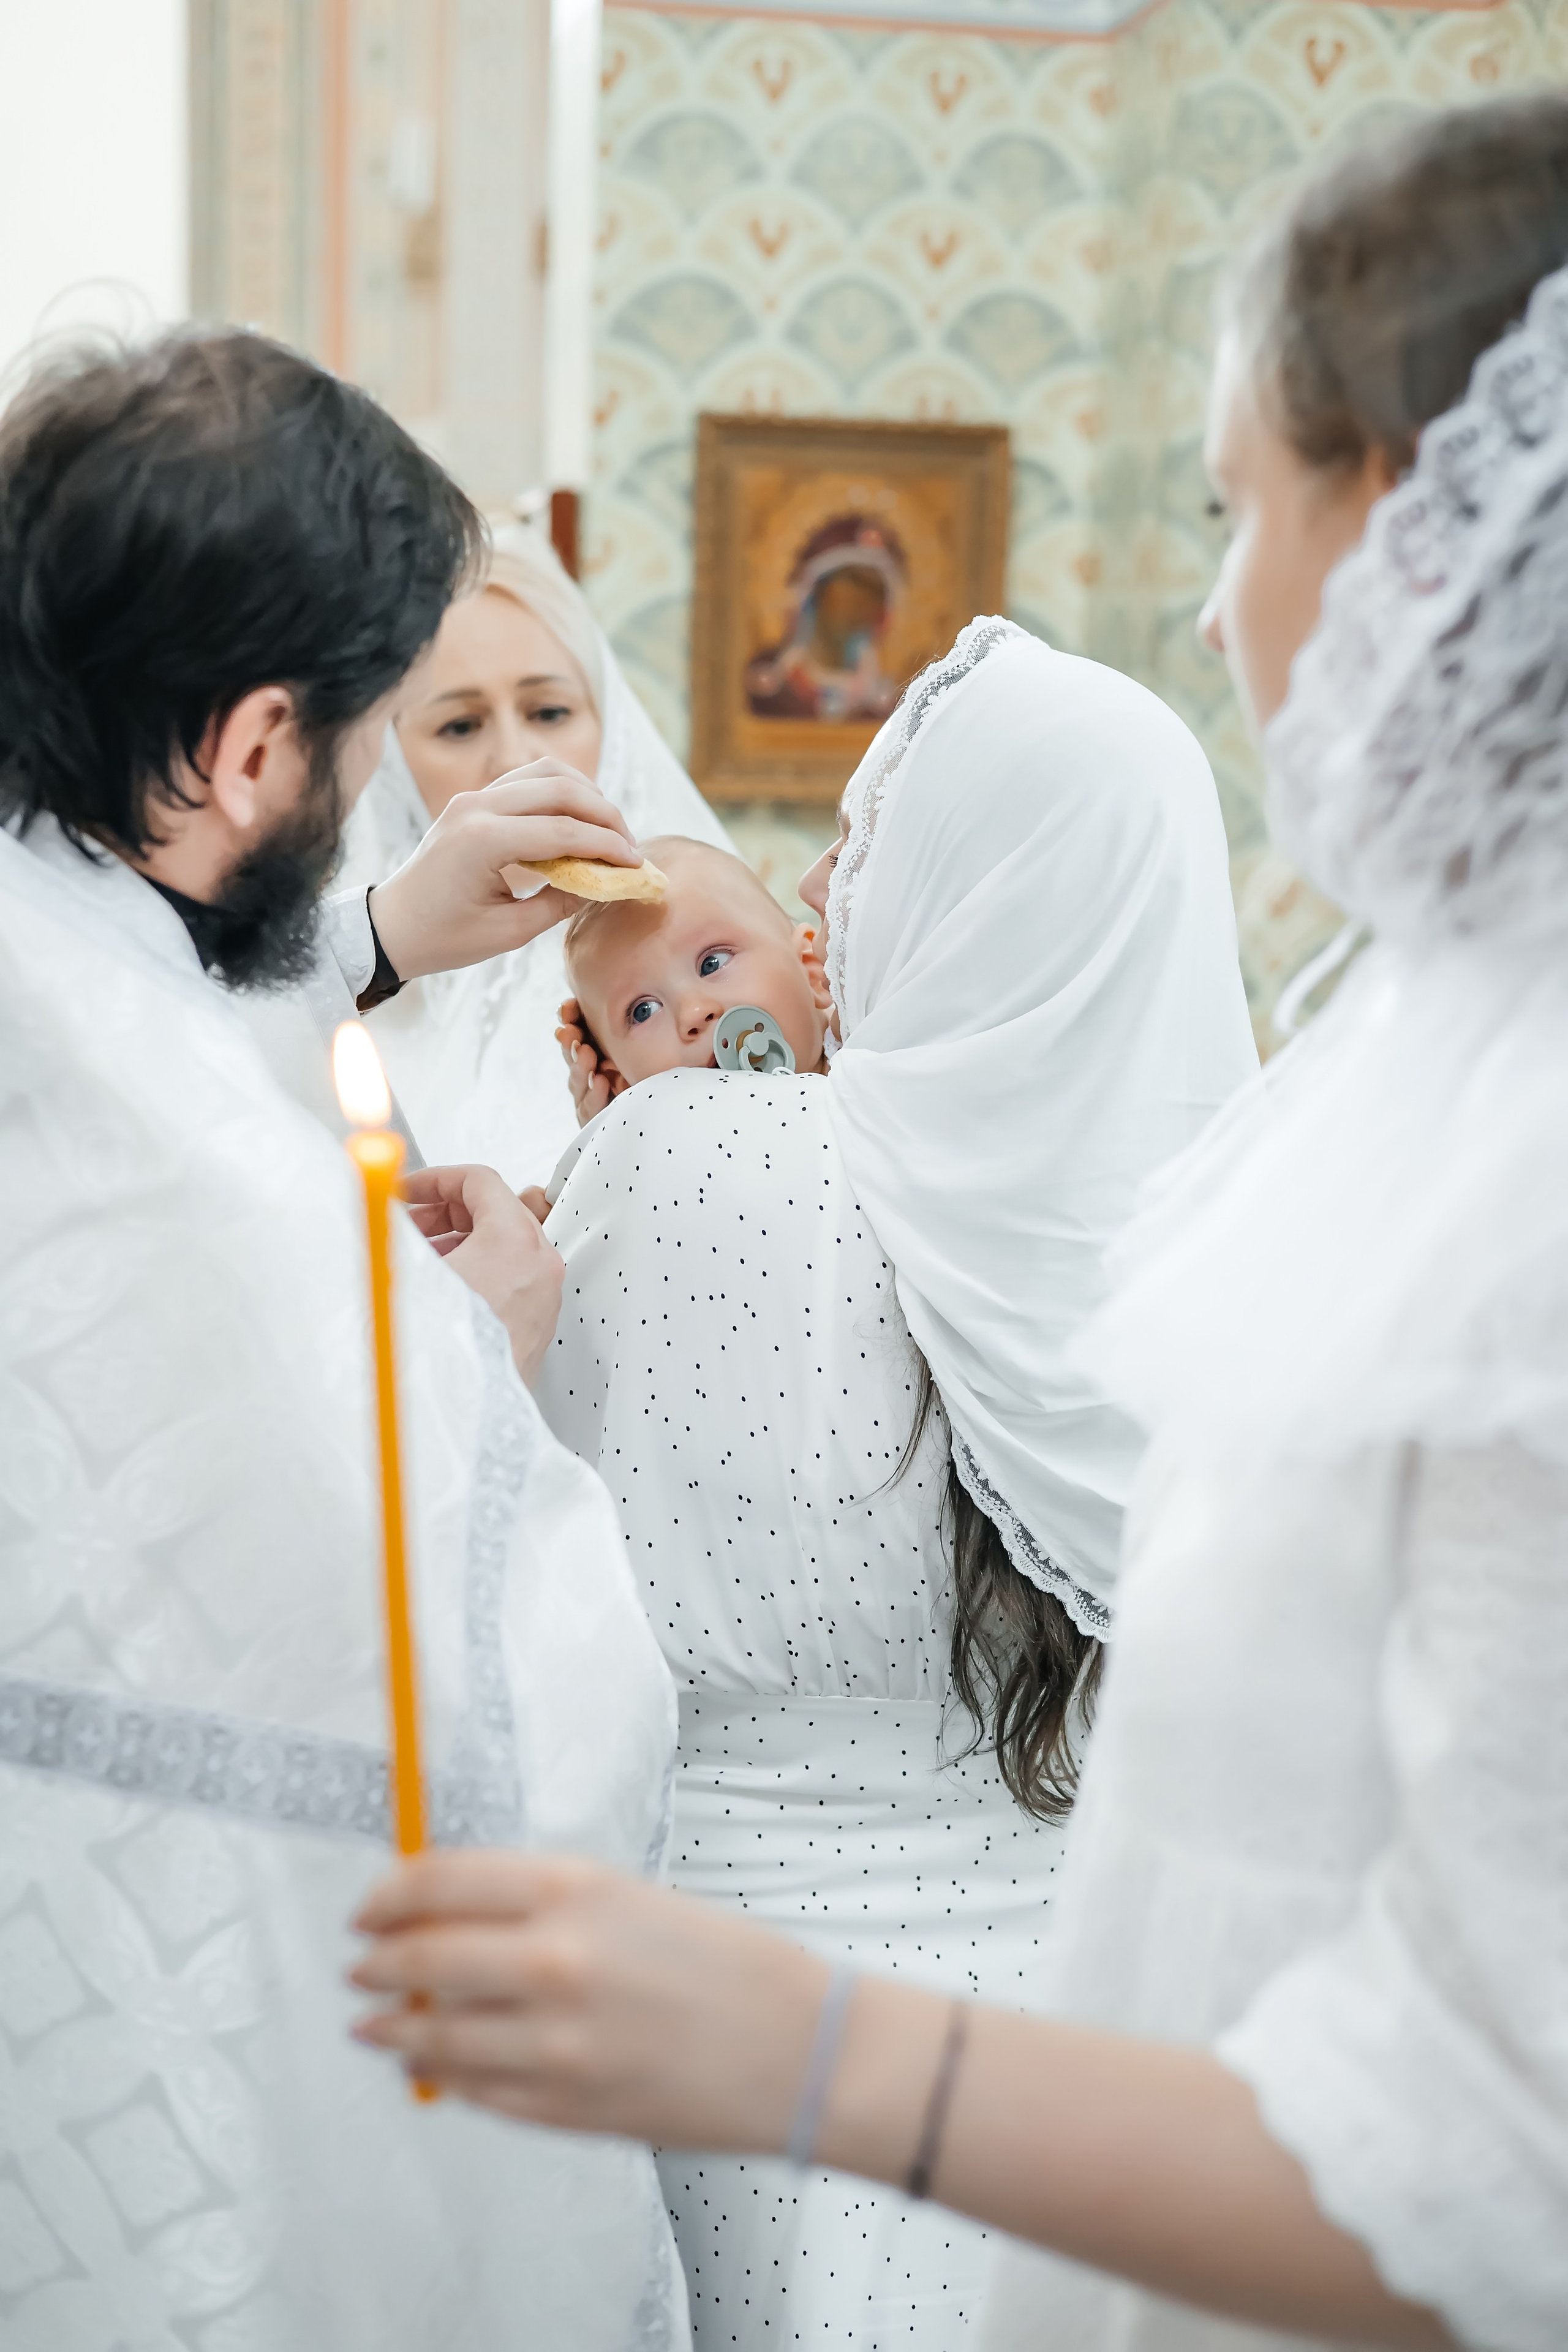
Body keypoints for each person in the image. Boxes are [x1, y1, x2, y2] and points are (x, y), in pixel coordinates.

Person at [351, 96, 1568, 2352]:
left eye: (1229, 506)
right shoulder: (1372, 1089)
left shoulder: (1503, 1190)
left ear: (1401, 518)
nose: (1212, 602)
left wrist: (810, 2053)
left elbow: (1501, 2146)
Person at [0, 328, 690, 2351]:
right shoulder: (235, 1226)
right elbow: (541, 1744)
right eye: (386, 725)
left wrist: (376, 938)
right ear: (249, 753)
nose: (396, 780)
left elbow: (145, 971)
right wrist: (458, 1360)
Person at [527, 616, 1255, 2345]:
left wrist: (608, 1145)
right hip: (1082, 2030)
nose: (835, 886)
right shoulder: (1206, 1215)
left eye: (864, 842)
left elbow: (539, 1518)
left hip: (732, 2007)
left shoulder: (686, 1153)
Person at [335, 519, 731, 1181]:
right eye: (460, 725)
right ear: (396, 764)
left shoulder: (711, 957)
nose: (516, 758)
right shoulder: (333, 980)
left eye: (548, 712)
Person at [556, 833, 834, 1100]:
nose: (693, 1014)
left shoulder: (869, 1049)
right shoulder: (659, 1145)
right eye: (643, 1011)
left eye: (713, 963)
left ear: (812, 972)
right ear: (623, 1086)